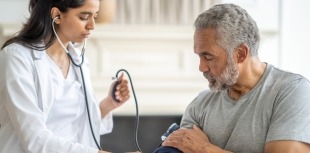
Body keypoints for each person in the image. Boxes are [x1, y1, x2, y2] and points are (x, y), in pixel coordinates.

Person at [160, 3, 310, 153]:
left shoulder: (293, 92)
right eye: (199, 56)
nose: (201, 67)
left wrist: (204, 149)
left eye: (208, 57)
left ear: (240, 54)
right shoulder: (200, 104)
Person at [0, 0, 131, 153]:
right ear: (57, 15)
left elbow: (74, 125)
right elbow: (35, 139)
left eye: (95, 16)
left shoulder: (79, 61)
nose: (92, 25)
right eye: (84, 17)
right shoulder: (17, 57)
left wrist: (109, 104)